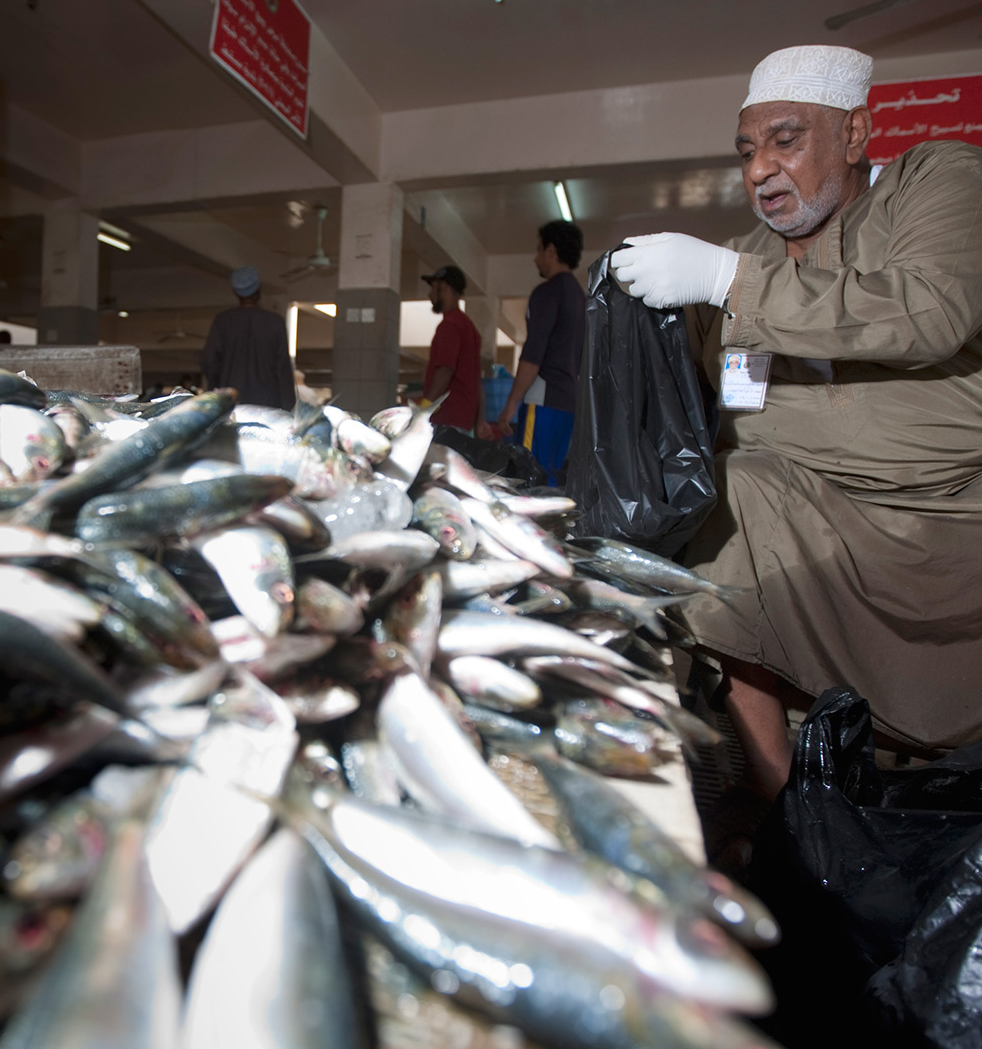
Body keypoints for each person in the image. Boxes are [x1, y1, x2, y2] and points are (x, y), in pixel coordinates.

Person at [611, 44, 982, 812]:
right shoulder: (745, 256)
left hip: (942, 515)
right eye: (748, 151)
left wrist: (725, 279)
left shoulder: (937, 181)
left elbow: (928, 311)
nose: (758, 171)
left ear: (854, 135)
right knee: (723, 498)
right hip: (799, 507)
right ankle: (782, 807)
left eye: (786, 140)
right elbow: (725, 406)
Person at [485, 220, 586, 485]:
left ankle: (538, 527)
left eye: (539, 250)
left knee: (531, 474)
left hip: (543, 399)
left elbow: (533, 353)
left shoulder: (547, 292)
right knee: (551, 473)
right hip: (567, 401)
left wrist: (511, 404)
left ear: (551, 251)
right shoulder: (579, 296)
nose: (535, 258)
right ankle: (555, 526)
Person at [200, 266, 295, 409]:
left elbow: (209, 361)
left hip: (230, 403)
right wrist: (289, 407)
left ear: (235, 292)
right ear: (258, 291)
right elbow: (283, 369)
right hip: (267, 404)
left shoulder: (223, 321)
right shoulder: (275, 322)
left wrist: (216, 391)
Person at [420, 265, 482, 432]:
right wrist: (480, 420)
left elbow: (445, 371)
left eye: (433, 288)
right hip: (463, 420)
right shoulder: (468, 326)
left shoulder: (450, 325)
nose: (430, 294)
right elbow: (476, 380)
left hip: (447, 417)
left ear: (444, 287)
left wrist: (424, 408)